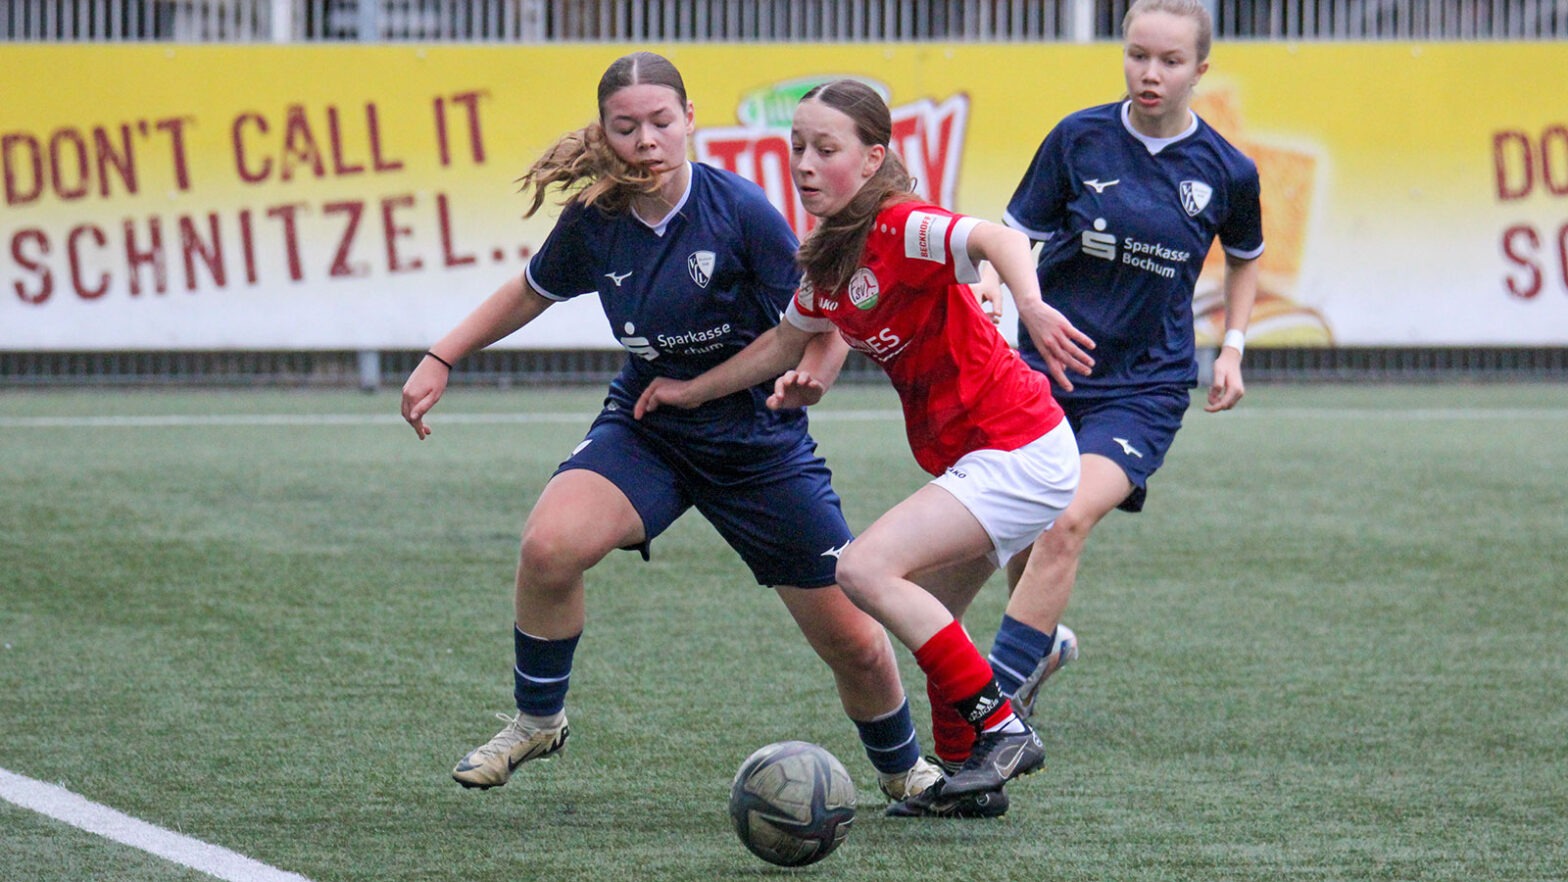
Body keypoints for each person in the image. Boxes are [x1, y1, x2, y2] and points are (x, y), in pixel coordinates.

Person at [400, 51, 941, 804]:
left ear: (689, 120)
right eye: (626, 127)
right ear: (604, 131)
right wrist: (443, 355)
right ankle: (538, 720)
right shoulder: (595, 218)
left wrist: (817, 371)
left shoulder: (740, 210)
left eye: (660, 122)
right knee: (549, 548)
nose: (646, 141)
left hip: (756, 443)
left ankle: (905, 771)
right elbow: (530, 291)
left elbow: (823, 309)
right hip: (649, 425)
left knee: (853, 640)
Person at [634, 78, 1096, 818]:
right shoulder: (829, 261)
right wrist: (692, 392)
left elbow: (1000, 239)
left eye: (826, 149)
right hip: (986, 457)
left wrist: (1032, 304)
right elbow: (785, 342)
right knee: (930, 613)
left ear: (873, 157)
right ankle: (967, 780)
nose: (804, 164)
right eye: (796, 148)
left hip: (1019, 448)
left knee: (862, 569)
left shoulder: (901, 225)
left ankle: (1004, 730)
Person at [986, 0, 1265, 740]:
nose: (1151, 72)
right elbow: (1013, 236)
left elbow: (1245, 259)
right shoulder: (1078, 138)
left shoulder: (1227, 171)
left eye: (1170, 61)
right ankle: (1039, 645)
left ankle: (993, 710)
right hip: (1045, 369)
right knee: (1026, 522)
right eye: (1138, 55)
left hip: (1144, 386)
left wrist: (1233, 347)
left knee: (1067, 518)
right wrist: (1001, 298)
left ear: (1200, 69)